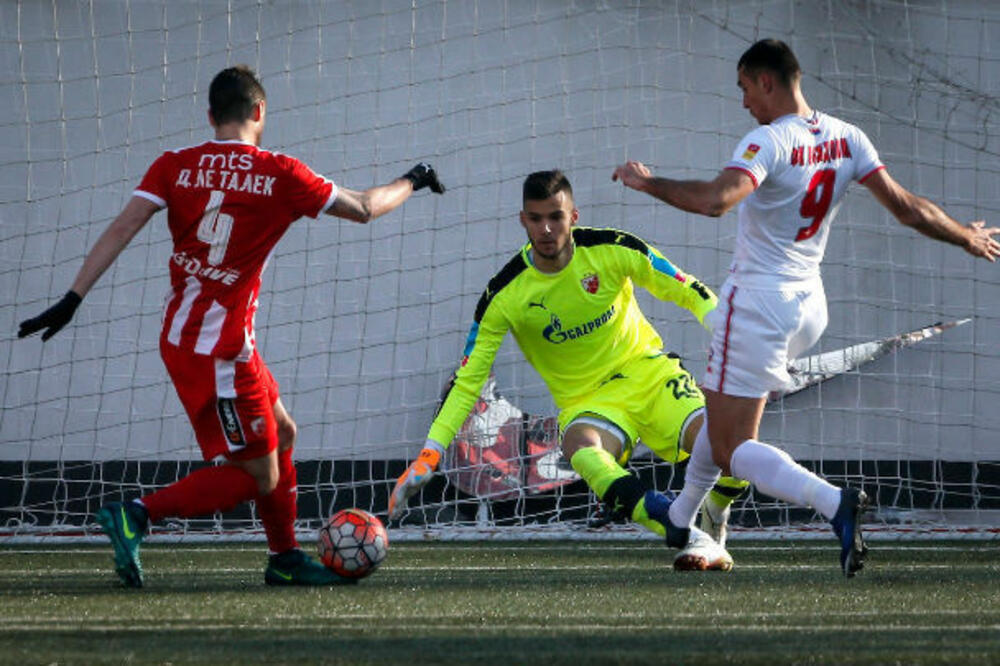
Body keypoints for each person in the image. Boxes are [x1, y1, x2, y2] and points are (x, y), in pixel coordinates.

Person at [17, 65, 445, 587]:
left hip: (190, 336)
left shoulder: (175, 164)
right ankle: (137, 514)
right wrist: (414, 178)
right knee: (258, 474)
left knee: (283, 433)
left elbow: (123, 226)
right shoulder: (281, 173)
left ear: (211, 116)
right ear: (259, 111)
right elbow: (363, 208)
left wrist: (72, 298)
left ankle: (284, 558)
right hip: (217, 351)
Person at [612, 38, 1000, 576]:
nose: (745, 102)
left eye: (745, 88)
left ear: (766, 81)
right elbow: (908, 209)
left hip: (756, 306)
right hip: (809, 306)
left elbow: (715, 201)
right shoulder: (848, 136)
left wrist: (647, 182)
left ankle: (833, 501)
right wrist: (965, 236)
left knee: (730, 447)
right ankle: (679, 517)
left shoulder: (768, 141)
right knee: (719, 414)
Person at [388, 169, 746, 571]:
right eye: (536, 218)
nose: (546, 228)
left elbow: (687, 289)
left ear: (573, 216)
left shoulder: (612, 248)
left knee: (731, 448)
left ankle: (715, 510)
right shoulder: (504, 294)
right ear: (523, 220)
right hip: (588, 402)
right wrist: (429, 455)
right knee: (582, 449)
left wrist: (729, 334)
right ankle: (686, 534)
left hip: (651, 375)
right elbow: (468, 381)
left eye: (555, 216)